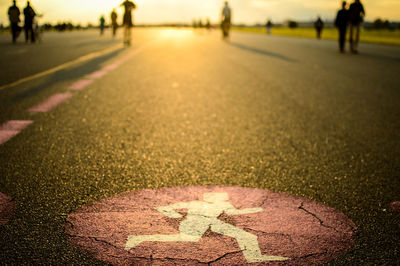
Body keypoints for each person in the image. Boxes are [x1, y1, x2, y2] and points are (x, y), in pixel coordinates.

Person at [125, 193, 289, 263]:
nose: (223, 199)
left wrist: (256, 209)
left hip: (211, 222)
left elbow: (235, 212)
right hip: (194, 222)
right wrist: (175, 216)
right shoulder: (196, 203)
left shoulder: (222, 205)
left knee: (247, 236)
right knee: (187, 239)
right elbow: (164, 208)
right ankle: (139, 238)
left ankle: (254, 257)